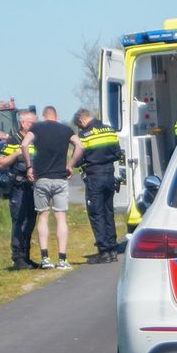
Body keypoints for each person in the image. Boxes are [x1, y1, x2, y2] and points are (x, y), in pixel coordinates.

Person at [20, 106, 85, 270]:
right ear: (56, 116)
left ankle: (45, 258)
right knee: (60, 217)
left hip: (41, 178)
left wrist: (29, 167)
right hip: (60, 178)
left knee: (43, 216)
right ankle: (62, 259)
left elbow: (24, 144)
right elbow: (80, 146)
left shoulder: (37, 127)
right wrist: (70, 165)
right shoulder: (65, 129)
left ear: (44, 116)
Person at [73, 108, 124, 263]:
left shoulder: (83, 135)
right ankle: (113, 250)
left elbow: (79, 159)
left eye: (79, 125)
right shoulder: (109, 131)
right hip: (110, 175)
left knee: (97, 214)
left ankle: (104, 252)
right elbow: (117, 153)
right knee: (109, 212)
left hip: (95, 176)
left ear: (81, 121)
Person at [0, 109, 40, 270]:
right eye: (32, 123)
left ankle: (26, 257)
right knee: (19, 222)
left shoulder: (36, 140)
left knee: (30, 222)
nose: (35, 126)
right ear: (24, 123)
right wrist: (16, 153)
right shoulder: (13, 140)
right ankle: (17, 258)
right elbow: (1, 162)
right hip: (19, 187)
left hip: (33, 186)